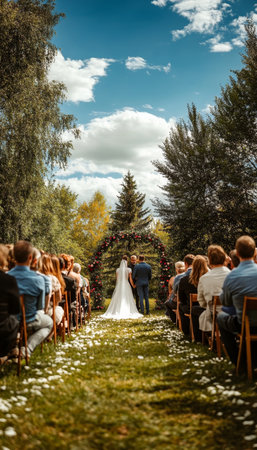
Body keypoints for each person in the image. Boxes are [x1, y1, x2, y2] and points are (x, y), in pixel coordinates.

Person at [8, 240, 53, 358]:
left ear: (13, 256)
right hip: (29, 320)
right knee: (49, 323)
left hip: (9, 320)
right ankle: (27, 349)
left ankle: (13, 347)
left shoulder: (6, 277)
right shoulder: (39, 279)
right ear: (30, 257)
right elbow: (40, 307)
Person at [217, 235, 257, 366]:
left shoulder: (232, 275)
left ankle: (239, 362)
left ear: (237, 253)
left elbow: (226, 303)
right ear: (254, 252)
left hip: (245, 325)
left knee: (221, 317)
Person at [191, 245, 230, 342]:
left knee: (196, 310)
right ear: (224, 259)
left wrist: (208, 306)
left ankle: (200, 339)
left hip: (214, 314)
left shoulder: (204, 278)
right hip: (233, 313)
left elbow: (201, 301)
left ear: (210, 261)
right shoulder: (232, 274)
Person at [179, 255, 208, 335]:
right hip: (208, 306)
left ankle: (186, 331)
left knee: (180, 305)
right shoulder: (208, 279)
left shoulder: (184, 280)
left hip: (192, 307)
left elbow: (181, 298)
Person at [0, 245, 20, 362]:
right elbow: (15, 309)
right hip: (3, 327)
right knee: (14, 321)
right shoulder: (9, 280)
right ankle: (7, 352)